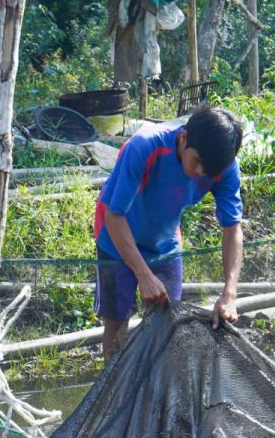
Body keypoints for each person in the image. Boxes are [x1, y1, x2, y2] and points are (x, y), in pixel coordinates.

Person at [94, 106, 244, 359]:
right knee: (117, 322)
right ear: (183, 138)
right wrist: (143, 274)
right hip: (116, 238)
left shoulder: (223, 166)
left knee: (167, 322)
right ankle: (115, 389)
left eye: (208, 170)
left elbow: (232, 228)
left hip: (164, 243)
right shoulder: (145, 146)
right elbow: (114, 215)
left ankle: (158, 391)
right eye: (197, 162)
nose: (200, 173)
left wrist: (229, 293)